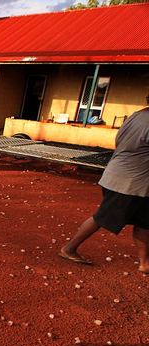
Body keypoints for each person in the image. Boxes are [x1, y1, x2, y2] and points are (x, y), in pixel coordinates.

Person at [60, 94, 149, 273]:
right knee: (102, 217)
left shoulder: (137, 115)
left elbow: (119, 141)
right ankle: (69, 248)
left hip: (129, 178)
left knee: (145, 222)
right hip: (127, 182)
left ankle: (145, 263)